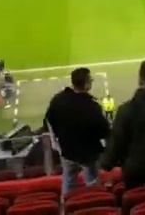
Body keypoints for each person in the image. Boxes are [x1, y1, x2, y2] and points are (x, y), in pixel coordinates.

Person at [45, 68, 109, 196]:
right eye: (90, 80)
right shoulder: (92, 107)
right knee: (92, 182)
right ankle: (94, 203)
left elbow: (49, 120)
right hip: (88, 154)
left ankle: (68, 205)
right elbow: (104, 131)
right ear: (86, 84)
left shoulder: (58, 100)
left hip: (67, 150)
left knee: (69, 180)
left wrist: (57, 140)